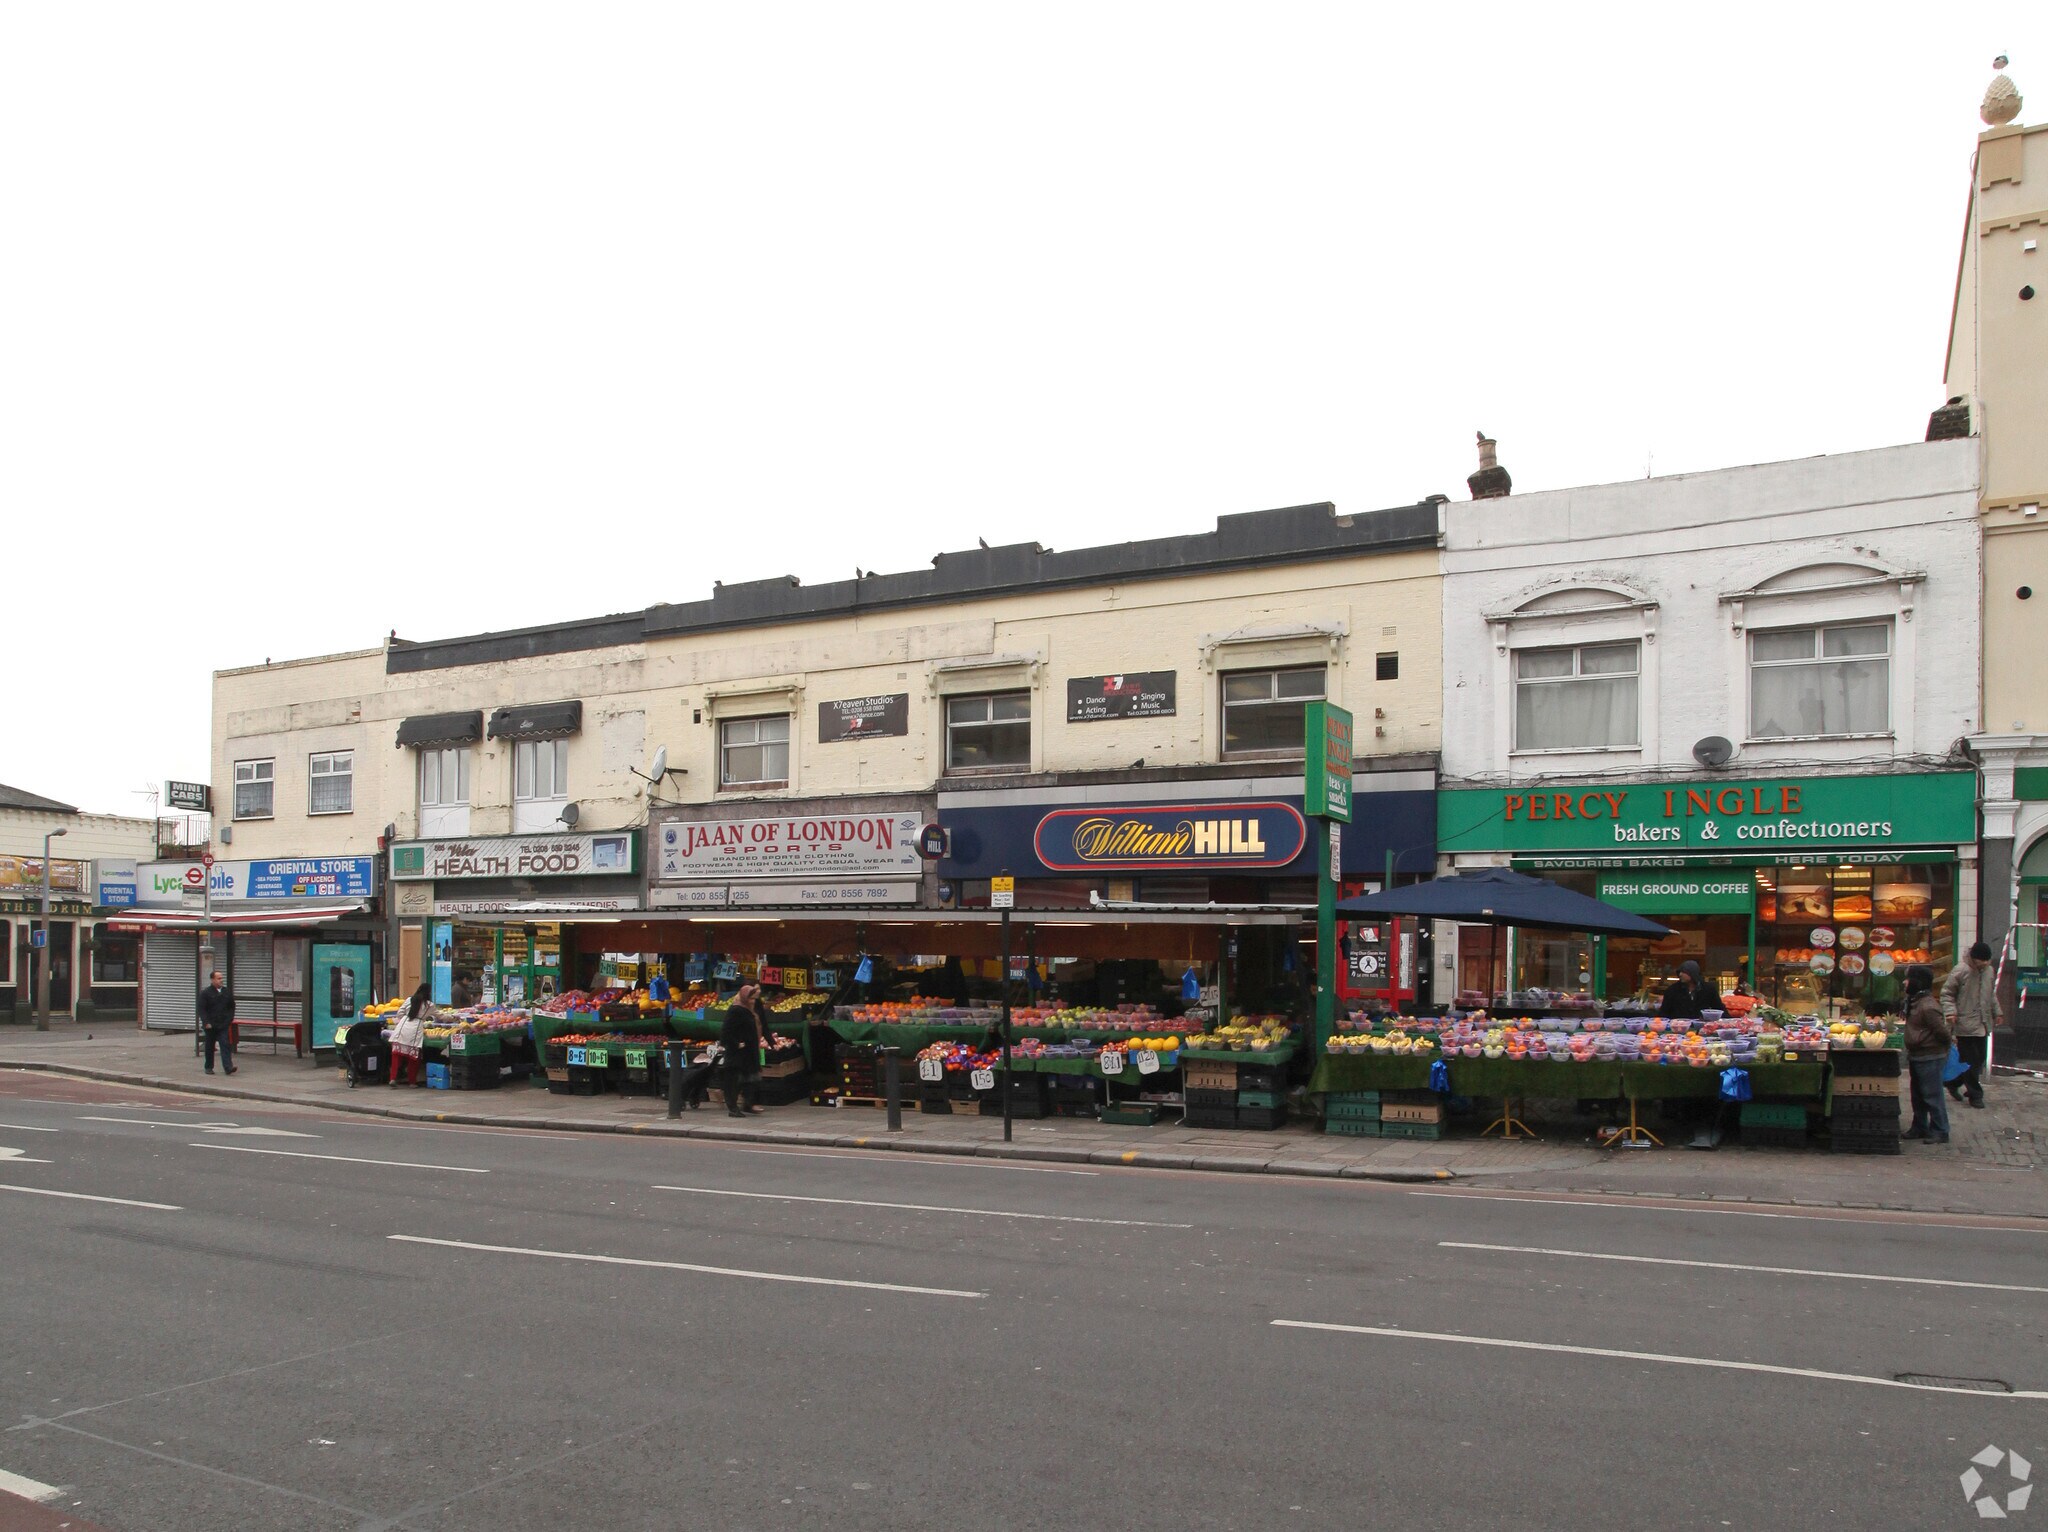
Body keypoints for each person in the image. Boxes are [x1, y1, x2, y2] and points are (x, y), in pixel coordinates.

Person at [1940, 941, 1998, 1109]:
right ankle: (1975, 1095)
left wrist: (1997, 1012)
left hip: (1982, 1023)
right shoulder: (1961, 971)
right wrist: (1951, 1012)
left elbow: (1990, 994)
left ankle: (1953, 1082)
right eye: (1982, 960)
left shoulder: (1989, 972)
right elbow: (1947, 994)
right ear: (1974, 958)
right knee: (1970, 1060)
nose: (1986, 964)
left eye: (1988, 960)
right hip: (1964, 1023)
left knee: (1979, 1059)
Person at [1902, 963, 1952, 1144]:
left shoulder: (1928, 1006)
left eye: (1908, 979)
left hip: (1930, 1056)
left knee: (1932, 1094)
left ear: (1916, 982)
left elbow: (1942, 1032)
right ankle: (1920, 1126)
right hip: (1917, 1055)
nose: (1904, 982)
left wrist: (1941, 1047)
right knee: (1918, 1095)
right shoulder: (1914, 1001)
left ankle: (1940, 1130)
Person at [718, 983, 766, 1117]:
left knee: (751, 1080)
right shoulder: (736, 1010)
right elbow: (726, 1031)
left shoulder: (749, 1010)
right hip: (738, 1054)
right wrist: (736, 1044)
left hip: (749, 1053)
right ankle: (733, 1108)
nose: (753, 1002)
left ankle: (748, 1104)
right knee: (734, 1083)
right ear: (744, 997)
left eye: (754, 999)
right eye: (750, 999)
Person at [390, 983, 432, 1087]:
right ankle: (412, 1081)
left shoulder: (409, 1000)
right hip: (415, 1029)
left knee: (397, 1056)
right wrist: (453, 1018)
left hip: (402, 1027)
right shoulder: (429, 1005)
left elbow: (399, 1013)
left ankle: (393, 1078)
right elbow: (441, 1016)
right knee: (413, 1058)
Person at [198, 970, 236, 1075]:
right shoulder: (206, 993)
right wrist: (206, 1022)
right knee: (210, 1046)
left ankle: (228, 1067)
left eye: (221, 978)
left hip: (223, 1024)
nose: (221, 980)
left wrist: (229, 1019)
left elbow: (231, 1006)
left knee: (225, 1044)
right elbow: (201, 1009)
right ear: (212, 980)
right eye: (218, 978)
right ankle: (208, 1067)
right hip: (211, 1025)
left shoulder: (226, 991)